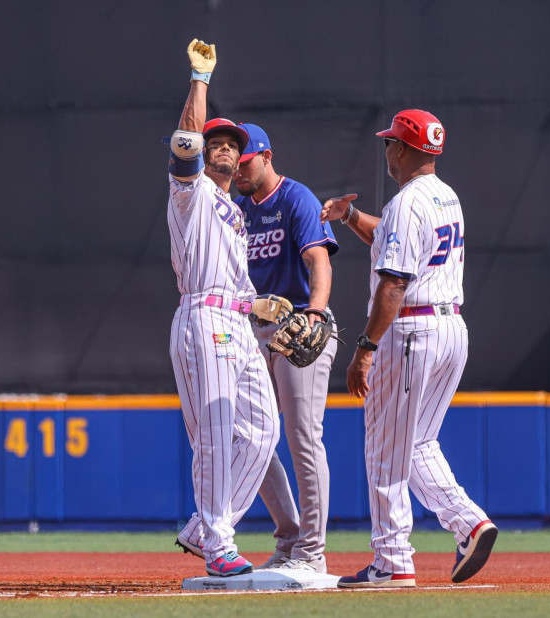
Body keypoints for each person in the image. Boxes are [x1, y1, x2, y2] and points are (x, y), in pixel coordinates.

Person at [320, 109, 497, 588]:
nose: (386, 149)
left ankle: (392, 560)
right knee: (416, 444)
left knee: (384, 450)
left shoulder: (406, 202)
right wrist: (351, 215)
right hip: (451, 330)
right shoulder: (446, 196)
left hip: (411, 330)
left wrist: (365, 348)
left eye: (389, 142)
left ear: (402, 148)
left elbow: (394, 281)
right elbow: (392, 242)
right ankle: (469, 523)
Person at [167, 39, 280, 578]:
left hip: (237, 320)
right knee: (214, 434)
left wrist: (261, 305)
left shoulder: (233, 212)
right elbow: (187, 138)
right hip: (203, 319)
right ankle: (218, 545)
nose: (225, 148)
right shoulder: (190, 195)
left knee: (262, 432)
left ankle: (203, 527)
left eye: (234, 144)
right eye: (218, 141)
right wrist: (200, 78)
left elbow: (232, 280)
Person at [236, 124, 338, 573]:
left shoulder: (296, 198)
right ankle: (289, 539)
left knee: (301, 436)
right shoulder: (237, 209)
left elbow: (318, 259)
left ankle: (311, 553)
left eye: (244, 162)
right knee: (252, 439)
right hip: (254, 330)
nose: (237, 170)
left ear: (266, 155)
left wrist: (316, 311)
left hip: (300, 325)